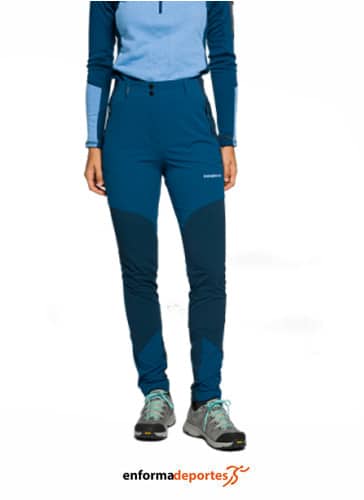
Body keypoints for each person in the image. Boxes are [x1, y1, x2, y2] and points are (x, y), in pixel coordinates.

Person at [83, 1, 245, 451]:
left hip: (192, 126)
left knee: (208, 271)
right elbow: (98, 63)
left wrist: (227, 139)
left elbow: (224, 59)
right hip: (127, 130)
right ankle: (155, 393)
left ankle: (207, 402)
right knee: (138, 271)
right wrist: (94, 142)